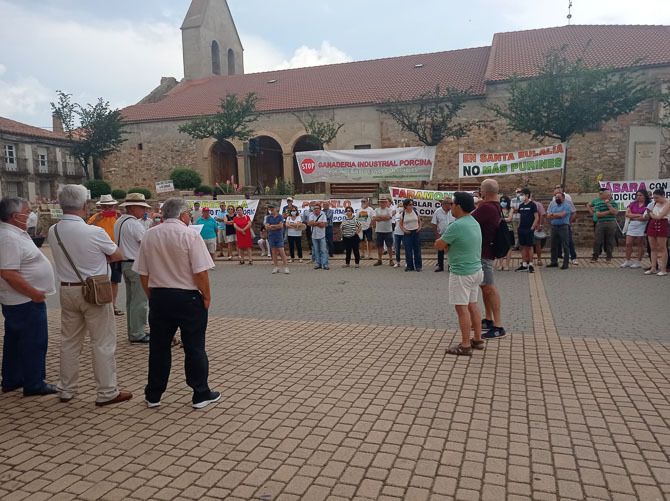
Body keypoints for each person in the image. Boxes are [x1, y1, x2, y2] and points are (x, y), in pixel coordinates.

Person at [47, 185, 132, 406]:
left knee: (69, 341)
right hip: (94, 290)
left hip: (67, 288)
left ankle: (66, 388)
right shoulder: (94, 232)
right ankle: (107, 391)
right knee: (102, 342)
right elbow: (117, 255)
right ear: (84, 206)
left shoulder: (53, 231)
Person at [133, 197, 219, 409]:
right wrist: (206, 296)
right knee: (194, 347)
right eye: (188, 213)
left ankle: (153, 394)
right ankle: (200, 393)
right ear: (182, 215)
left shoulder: (150, 234)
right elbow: (200, 271)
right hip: (187, 297)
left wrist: (151, 295)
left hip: (160, 296)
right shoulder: (190, 235)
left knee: (159, 347)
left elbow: (143, 272)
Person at [0, 197, 57, 396]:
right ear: (15, 216)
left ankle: (13, 379)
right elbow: (8, 272)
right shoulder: (9, 237)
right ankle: (34, 383)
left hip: (22, 299)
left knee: (15, 340)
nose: (30, 215)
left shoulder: (13, 234)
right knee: (34, 342)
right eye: (27, 212)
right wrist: (34, 294)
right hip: (24, 300)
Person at [435, 192, 484, 357]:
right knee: (473, 305)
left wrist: (446, 245)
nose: (451, 207)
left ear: (459, 206)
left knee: (461, 308)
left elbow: (439, 244)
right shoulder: (474, 222)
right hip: (476, 270)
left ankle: (465, 345)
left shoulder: (457, 225)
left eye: (453, 204)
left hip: (461, 272)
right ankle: (477, 339)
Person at [114, 193, 152, 344]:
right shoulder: (134, 224)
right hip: (136, 264)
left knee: (131, 301)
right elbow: (146, 243)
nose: (144, 210)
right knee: (139, 301)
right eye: (141, 207)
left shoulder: (119, 221)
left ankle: (134, 330)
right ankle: (137, 333)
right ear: (132, 208)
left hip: (124, 263)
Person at [472, 179, 506, 340]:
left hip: (485, 252)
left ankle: (498, 326)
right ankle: (488, 318)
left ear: (483, 191)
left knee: (490, 288)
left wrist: (477, 205)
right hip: (487, 251)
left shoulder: (486, 207)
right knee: (485, 286)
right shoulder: (496, 206)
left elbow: (468, 219)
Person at [88, 194, 123, 316]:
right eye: (105, 207)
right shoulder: (95, 218)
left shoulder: (118, 217)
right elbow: (86, 231)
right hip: (100, 253)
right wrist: (96, 220)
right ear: (101, 207)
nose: (108, 209)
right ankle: (102, 304)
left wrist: (120, 217)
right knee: (101, 280)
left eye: (110, 206)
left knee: (114, 280)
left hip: (114, 252)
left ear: (114, 206)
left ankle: (112, 305)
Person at [587, 188, 619, 262]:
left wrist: (608, 205)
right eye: (607, 194)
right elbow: (598, 214)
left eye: (609, 194)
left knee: (610, 240)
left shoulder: (614, 203)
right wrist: (609, 212)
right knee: (597, 240)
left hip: (611, 223)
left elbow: (615, 212)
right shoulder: (598, 203)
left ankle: (609, 257)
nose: (608, 196)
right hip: (600, 223)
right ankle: (595, 256)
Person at [546, 189, 575, 269]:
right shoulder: (552, 204)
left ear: (563, 198)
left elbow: (562, 215)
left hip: (563, 227)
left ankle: (565, 263)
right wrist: (554, 215)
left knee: (565, 245)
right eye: (556, 197)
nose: (557, 199)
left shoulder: (567, 205)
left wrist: (553, 215)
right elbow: (548, 215)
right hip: (554, 226)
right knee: (553, 245)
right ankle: (553, 262)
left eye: (559, 197)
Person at [644, 188, 670, 276]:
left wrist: (651, 213)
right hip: (652, 224)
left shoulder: (668, 203)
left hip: (662, 224)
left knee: (662, 248)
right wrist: (651, 214)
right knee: (653, 248)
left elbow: (659, 216)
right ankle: (653, 268)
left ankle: (663, 269)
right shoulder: (655, 203)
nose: (655, 200)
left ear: (663, 196)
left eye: (657, 198)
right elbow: (649, 215)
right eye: (654, 198)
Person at [622, 190, 650, 269]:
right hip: (632, 224)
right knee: (628, 243)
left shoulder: (648, 204)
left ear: (645, 196)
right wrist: (638, 215)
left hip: (642, 225)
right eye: (637, 195)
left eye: (640, 195)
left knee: (640, 244)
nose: (638, 197)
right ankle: (627, 260)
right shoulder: (633, 203)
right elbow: (627, 214)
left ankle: (638, 261)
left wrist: (633, 215)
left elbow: (645, 217)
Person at [515, 188, 539, 273]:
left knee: (530, 246)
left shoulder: (532, 205)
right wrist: (518, 227)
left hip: (529, 229)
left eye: (522, 195)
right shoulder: (521, 205)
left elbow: (536, 217)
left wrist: (532, 227)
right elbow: (520, 217)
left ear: (527, 195)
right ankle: (524, 264)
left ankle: (531, 264)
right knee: (522, 246)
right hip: (521, 229)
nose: (520, 196)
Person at [554, 186, 578, 265]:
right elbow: (549, 213)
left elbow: (574, 212)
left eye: (559, 188)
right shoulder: (553, 201)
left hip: (565, 224)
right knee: (557, 241)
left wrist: (569, 222)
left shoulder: (568, 201)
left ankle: (573, 257)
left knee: (569, 241)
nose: (557, 189)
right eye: (556, 188)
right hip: (556, 224)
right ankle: (559, 256)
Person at [431, 198, 455, 272]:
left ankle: (450, 266)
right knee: (440, 250)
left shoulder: (453, 211)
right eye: (450, 204)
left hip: (452, 234)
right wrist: (437, 235)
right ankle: (440, 266)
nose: (452, 205)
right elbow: (434, 224)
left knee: (451, 251)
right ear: (444, 204)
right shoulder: (437, 212)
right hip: (441, 234)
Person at [399, 198, 422, 272]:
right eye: (409, 205)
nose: (411, 206)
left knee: (417, 250)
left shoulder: (415, 211)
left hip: (416, 232)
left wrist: (419, 228)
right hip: (407, 233)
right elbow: (400, 224)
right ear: (405, 205)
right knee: (408, 250)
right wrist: (404, 230)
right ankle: (409, 266)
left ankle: (418, 266)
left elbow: (419, 221)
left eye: (412, 204)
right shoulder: (403, 213)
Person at [266, 204, 289, 274]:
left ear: (276, 209)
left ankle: (286, 267)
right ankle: (276, 267)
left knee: (281, 251)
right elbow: (267, 227)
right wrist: (275, 226)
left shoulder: (280, 216)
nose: (271, 210)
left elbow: (281, 226)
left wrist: (272, 226)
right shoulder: (268, 217)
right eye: (270, 209)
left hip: (279, 236)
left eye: (272, 209)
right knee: (273, 252)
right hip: (271, 236)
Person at [373, 197, 395, 267]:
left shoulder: (389, 209)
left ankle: (391, 260)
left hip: (388, 231)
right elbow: (374, 218)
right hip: (379, 231)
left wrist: (379, 217)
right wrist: (384, 217)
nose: (382, 203)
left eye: (383, 202)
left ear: (386, 203)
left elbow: (389, 217)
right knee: (379, 246)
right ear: (379, 203)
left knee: (389, 246)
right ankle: (379, 260)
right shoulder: (376, 209)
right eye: (381, 202)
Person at [496, 195, 514, 271]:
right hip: (500, 230)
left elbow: (509, 218)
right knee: (500, 246)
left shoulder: (511, 209)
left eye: (505, 201)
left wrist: (501, 219)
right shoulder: (498, 209)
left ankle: (507, 264)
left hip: (509, 230)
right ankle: (500, 264)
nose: (503, 202)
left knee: (509, 247)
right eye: (502, 201)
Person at [309, 204, 329, 270]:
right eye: (315, 208)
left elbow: (323, 225)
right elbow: (310, 223)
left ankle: (325, 264)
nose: (316, 209)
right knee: (316, 251)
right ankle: (318, 264)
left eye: (317, 208)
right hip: (314, 236)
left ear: (320, 209)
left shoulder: (323, 215)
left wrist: (315, 223)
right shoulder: (311, 215)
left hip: (321, 235)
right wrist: (319, 222)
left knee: (323, 250)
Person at [532, 197, 547, 266]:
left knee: (537, 244)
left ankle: (539, 259)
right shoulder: (524, 204)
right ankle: (528, 260)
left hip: (536, 227)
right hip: (527, 227)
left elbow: (542, 214)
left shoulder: (538, 204)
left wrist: (540, 225)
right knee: (527, 245)